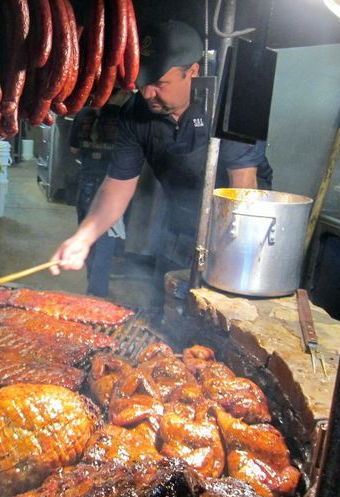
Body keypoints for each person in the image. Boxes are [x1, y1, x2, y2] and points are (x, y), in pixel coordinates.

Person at [50, 20, 273, 285]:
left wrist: (228, 262)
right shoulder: (136, 113)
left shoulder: (236, 100)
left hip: (237, 228)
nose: (146, 93)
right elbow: (117, 186)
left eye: (158, 83)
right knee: (168, 301)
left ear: (192, 71)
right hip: (180, 218)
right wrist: (84, 237)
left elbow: (244, 191)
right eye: (141, 82)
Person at [68, 89, 132, 297]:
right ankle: (97, 292)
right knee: (106, 239)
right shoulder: (126, 115)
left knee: (86, 236)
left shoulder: (85, 113)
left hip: (88, 182)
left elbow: (74, 150)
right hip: (115, 183)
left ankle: (93, 284)